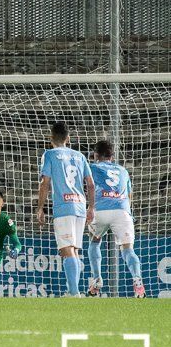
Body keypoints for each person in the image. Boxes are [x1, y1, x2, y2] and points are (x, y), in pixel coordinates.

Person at [36, 121, 95, 297]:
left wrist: (40, 208)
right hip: (80, 206)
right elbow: (91, 185)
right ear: (68, 138)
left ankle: (75, 292)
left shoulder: (49, 154)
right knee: (74, 250)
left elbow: (44, 182)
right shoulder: (80, 156)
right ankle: (72, 291)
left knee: (66, 250)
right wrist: (91, 207)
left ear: (50, 138)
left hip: (64, 206)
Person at [86, 140, 145, 298]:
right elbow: (129, 195)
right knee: (128, 250)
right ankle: (138, 282)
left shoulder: (92, 167)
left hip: (101, 210)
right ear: (112, 156)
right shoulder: (123, 170)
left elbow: (89, 186)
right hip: (122, 211)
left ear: (95, 155)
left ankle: (97, 281)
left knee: (94, 242)